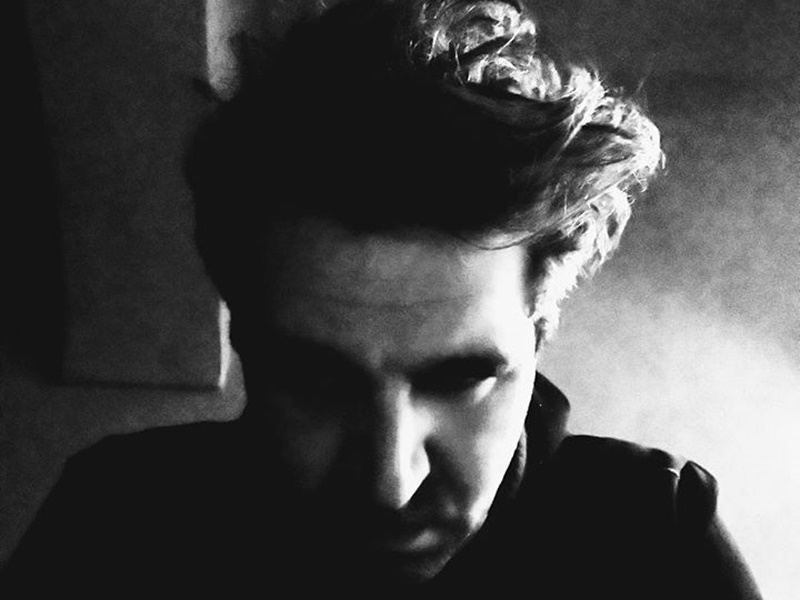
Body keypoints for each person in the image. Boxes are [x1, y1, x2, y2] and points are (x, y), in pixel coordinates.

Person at [3, 0, 762, 597]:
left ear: (539, 332)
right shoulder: (114, 518)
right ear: (244, 343)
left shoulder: (656, 532)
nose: (390, 484)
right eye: (314, 381)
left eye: (460, 377)